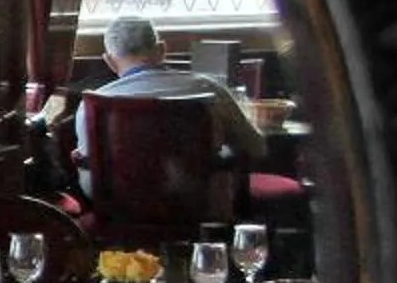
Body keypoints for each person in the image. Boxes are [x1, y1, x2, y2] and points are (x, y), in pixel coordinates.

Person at [71, 13, 268, 193]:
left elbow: (87, 166)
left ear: (110, 62)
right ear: (162, 50)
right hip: (199, 209)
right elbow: (256, 147)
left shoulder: (94, 103)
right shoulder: (208, 88)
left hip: (118, 210)